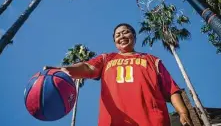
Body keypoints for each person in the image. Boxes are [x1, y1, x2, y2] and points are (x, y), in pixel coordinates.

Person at [44, 23, 192, 126]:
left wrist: (183, 112)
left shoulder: (152, 60)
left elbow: (171, 89)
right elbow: (88, 68)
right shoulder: (107, 58)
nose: (121, 35)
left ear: (134, 36)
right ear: (115, 42)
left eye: (125, 32)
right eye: (117, 35)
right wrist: (65, 70)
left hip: (153, 121)